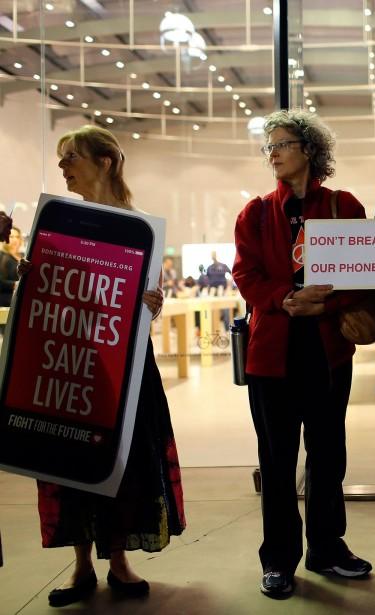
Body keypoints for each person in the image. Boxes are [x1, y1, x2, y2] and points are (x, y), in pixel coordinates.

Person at [18, 125, 185, 607]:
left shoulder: (139, 227)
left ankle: (118, 559)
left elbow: (145, 305)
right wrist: (30, 278)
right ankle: (81, 565)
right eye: (61, 158)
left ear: (105, 161)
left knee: (124, 459)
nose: (64, 166)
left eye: (71, 157)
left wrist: (153, 302)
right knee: (68, 459)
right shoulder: (55, 222)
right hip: (71, 360)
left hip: (124, 362)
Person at [232, 109, 373, 599]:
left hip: (326, 352)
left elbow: (364, 274)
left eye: (282, 144)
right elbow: (245, 275)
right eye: (268, 146)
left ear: (309, 149)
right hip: (271, 355)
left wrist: (325, 302)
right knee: (276, 461)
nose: (272, 153)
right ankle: (278, 559)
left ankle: (328, 548)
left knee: (328, 455)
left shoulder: (343, 206)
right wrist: (285, 300)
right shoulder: (254, 213)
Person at [0, 225, 22, 307]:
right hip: (5, 303)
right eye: (11, 236)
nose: (15, 239)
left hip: (17, 301)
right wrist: (15, 284)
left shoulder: (23, 256)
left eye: (17, 237)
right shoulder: (2, 256)